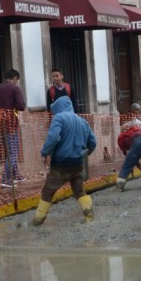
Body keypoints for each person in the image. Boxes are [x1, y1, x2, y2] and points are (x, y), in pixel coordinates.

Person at [32, 95, 96, 226]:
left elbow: (54, 137)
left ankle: (38, 220)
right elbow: (93, 142)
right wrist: (85, 154)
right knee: (79, 191)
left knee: (47, 191)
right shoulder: (82, 121)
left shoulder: (59, 118)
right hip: (78, 163)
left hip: (61, 164)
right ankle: (89, 215)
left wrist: (45, 152)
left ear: (57, 108)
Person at [0, 68, 26, 187]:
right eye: (17, 80)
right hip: (11, 124)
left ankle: (15, 175)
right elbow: (21, 106)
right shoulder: (14, 88)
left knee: (9, 150)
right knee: (13, 151)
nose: (16, 82)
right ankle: (6, 179)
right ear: (15, 78)